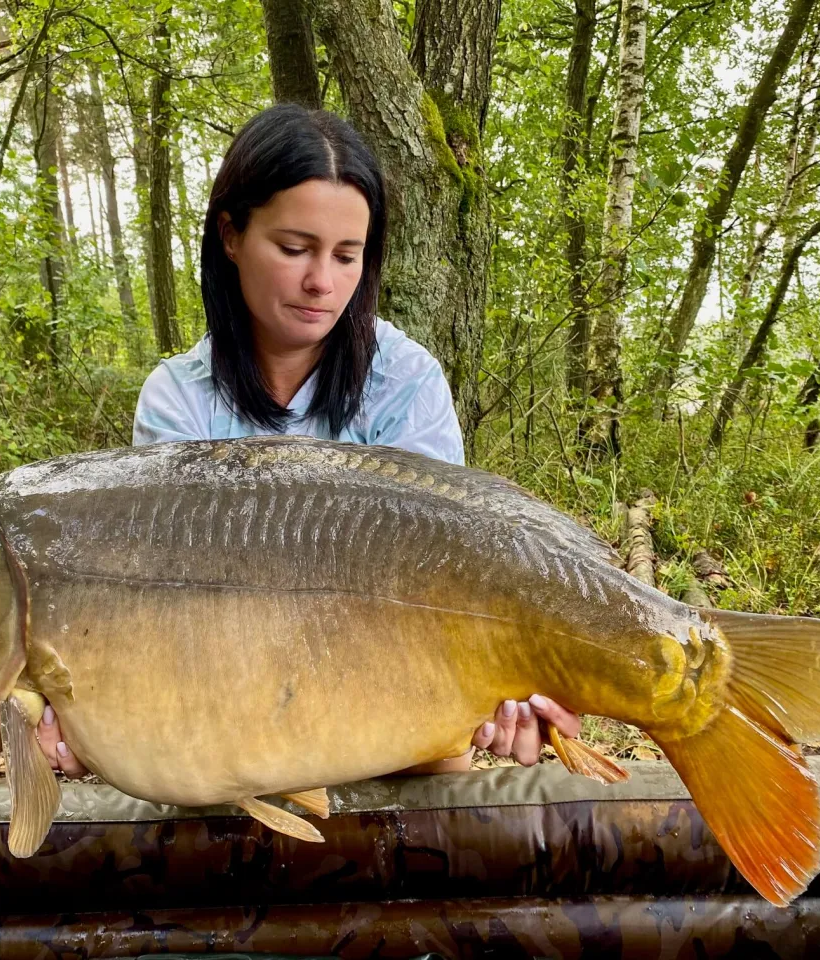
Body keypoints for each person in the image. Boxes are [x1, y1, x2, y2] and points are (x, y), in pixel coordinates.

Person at [36, 103, 581, 779]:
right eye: (294, 249)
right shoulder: (177, 397)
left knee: (439, 767)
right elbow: (167, 620)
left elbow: (448, 573)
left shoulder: (405, 379)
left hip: (396, 704)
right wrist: (102, 726)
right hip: (233, 710)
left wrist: (507, 695)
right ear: (231, 235)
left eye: (346, 255)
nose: (322, 281)